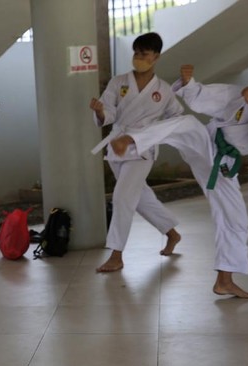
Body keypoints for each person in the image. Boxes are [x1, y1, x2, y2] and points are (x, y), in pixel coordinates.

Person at [110, 48, 248, 298]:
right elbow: (204, 97)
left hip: (224, 165)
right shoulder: (238, 94)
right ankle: (131, 140)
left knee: (235, 219)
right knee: (187, 123)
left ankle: (224, 280)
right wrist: (189, 85)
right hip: (206, 145)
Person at [89, 32, 183, 273]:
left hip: (142, 149)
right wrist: (100, 112)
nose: (139, 57)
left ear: (156, 56)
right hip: (117, 146)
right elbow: (108, 110)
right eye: (136, 53)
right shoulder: (118, 82)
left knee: (122, 197)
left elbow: (175, 117)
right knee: (140, 197)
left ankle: (117, 254)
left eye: (144, 53)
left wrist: (154, 134)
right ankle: (172, 233)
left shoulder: (163, 89)